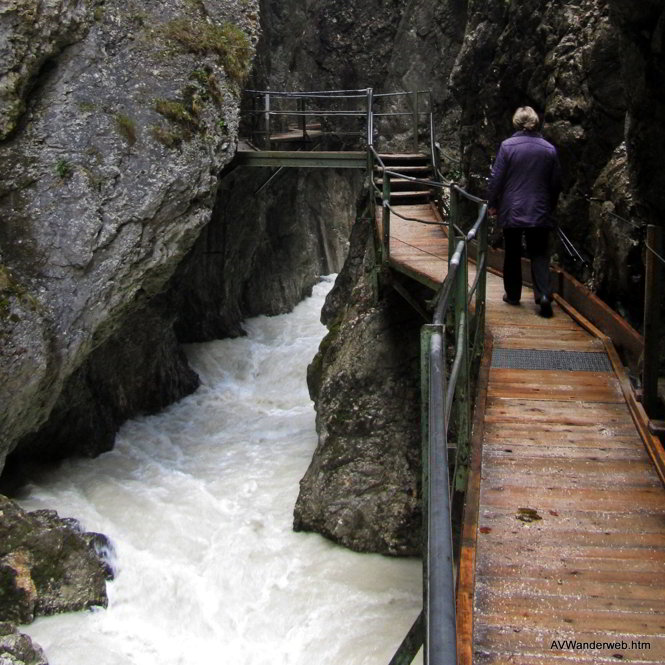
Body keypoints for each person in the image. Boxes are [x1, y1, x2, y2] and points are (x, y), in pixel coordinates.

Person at [487, 106, 562, 317]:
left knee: (512, 251)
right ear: (535, 122)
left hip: (512, 208)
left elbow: (497, 179)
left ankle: (513, 295)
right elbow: (556, 182)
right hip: (539, 208)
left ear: (516, 122)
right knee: (539, 252)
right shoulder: (548, 149)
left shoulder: (507, 146)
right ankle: (544, 295)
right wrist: (550, 206)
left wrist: (492, 203)